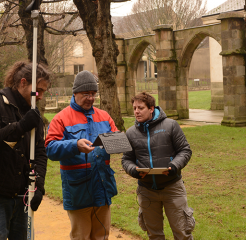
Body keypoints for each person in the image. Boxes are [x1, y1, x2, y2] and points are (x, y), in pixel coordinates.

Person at [0, 61, 51, 240]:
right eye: (38, 90)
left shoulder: (33, 113)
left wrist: (39, 186)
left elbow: (40, 152)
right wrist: (20, 126)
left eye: (44, 91)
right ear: (22, 82)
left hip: (22, 197)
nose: (41, 96)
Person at [45, 70, 119, 240]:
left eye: (93, 94)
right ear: (75, 93)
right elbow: (50, 148)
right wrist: (75, 145)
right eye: (86, 94)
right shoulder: (61, 119)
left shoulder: (104, 116)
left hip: (103, 186)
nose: (91, 98)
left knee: (102, 236)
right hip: (78, 190)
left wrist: (119, 140)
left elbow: (116, 138)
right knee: (81, 237)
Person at [121, 92, 195, 240]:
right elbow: (126, 159)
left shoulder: (171, 125)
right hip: (146, 190)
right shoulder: (130, 133)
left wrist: (174, 166)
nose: (136, 111)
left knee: (182, 234)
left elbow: (185, 150)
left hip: (172, 188)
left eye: (140, 108)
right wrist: (134, 171)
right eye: (134, 108)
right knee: (154, 235)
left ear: (151, 109)